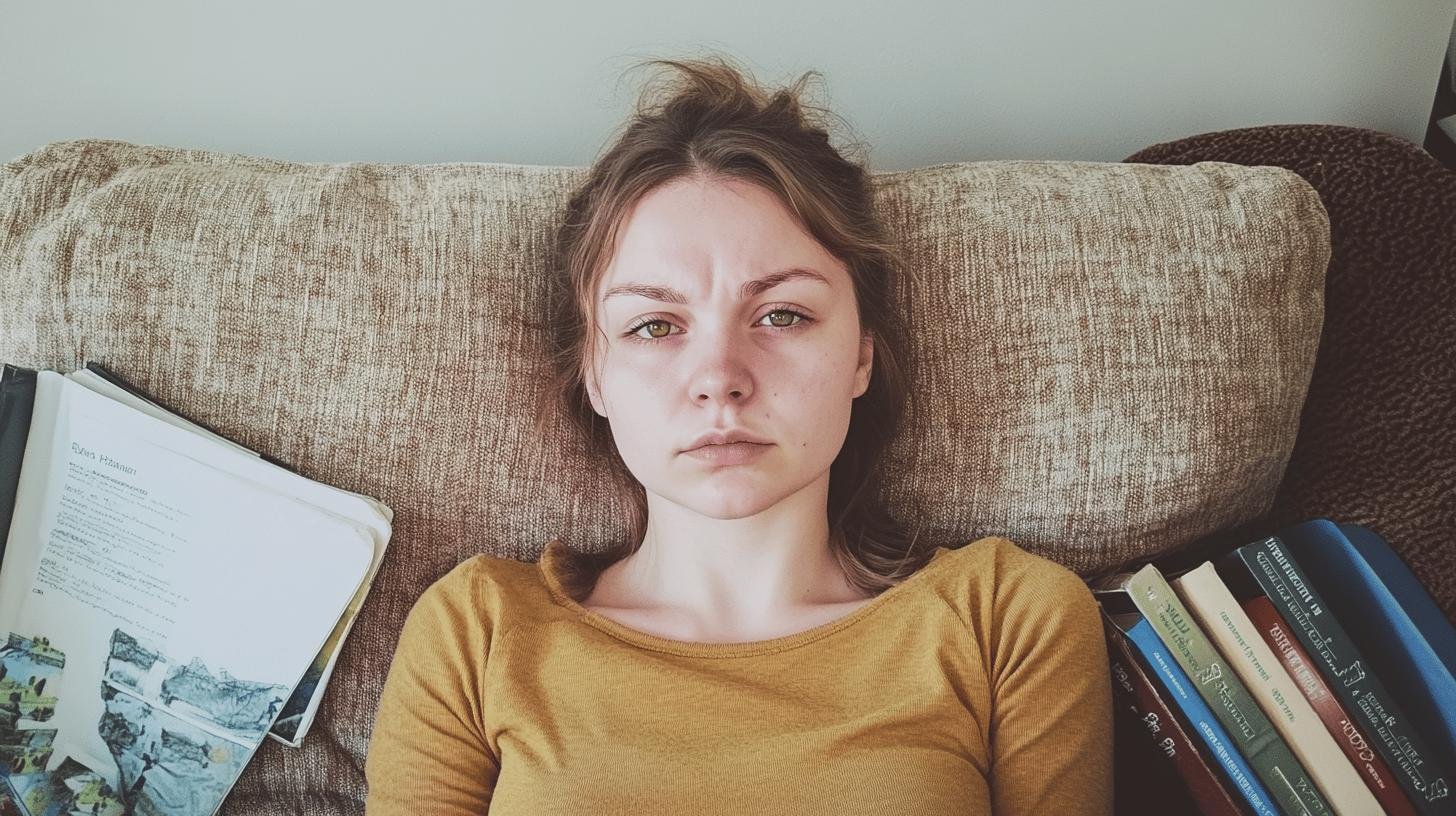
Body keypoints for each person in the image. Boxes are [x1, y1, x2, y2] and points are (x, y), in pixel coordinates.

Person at [364, 53, 1113, 815]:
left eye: (782, 315)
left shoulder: (1006, 618)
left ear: (861, 354)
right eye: (655, 325)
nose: (719, 376)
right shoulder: (479, 628)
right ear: (594, 375)